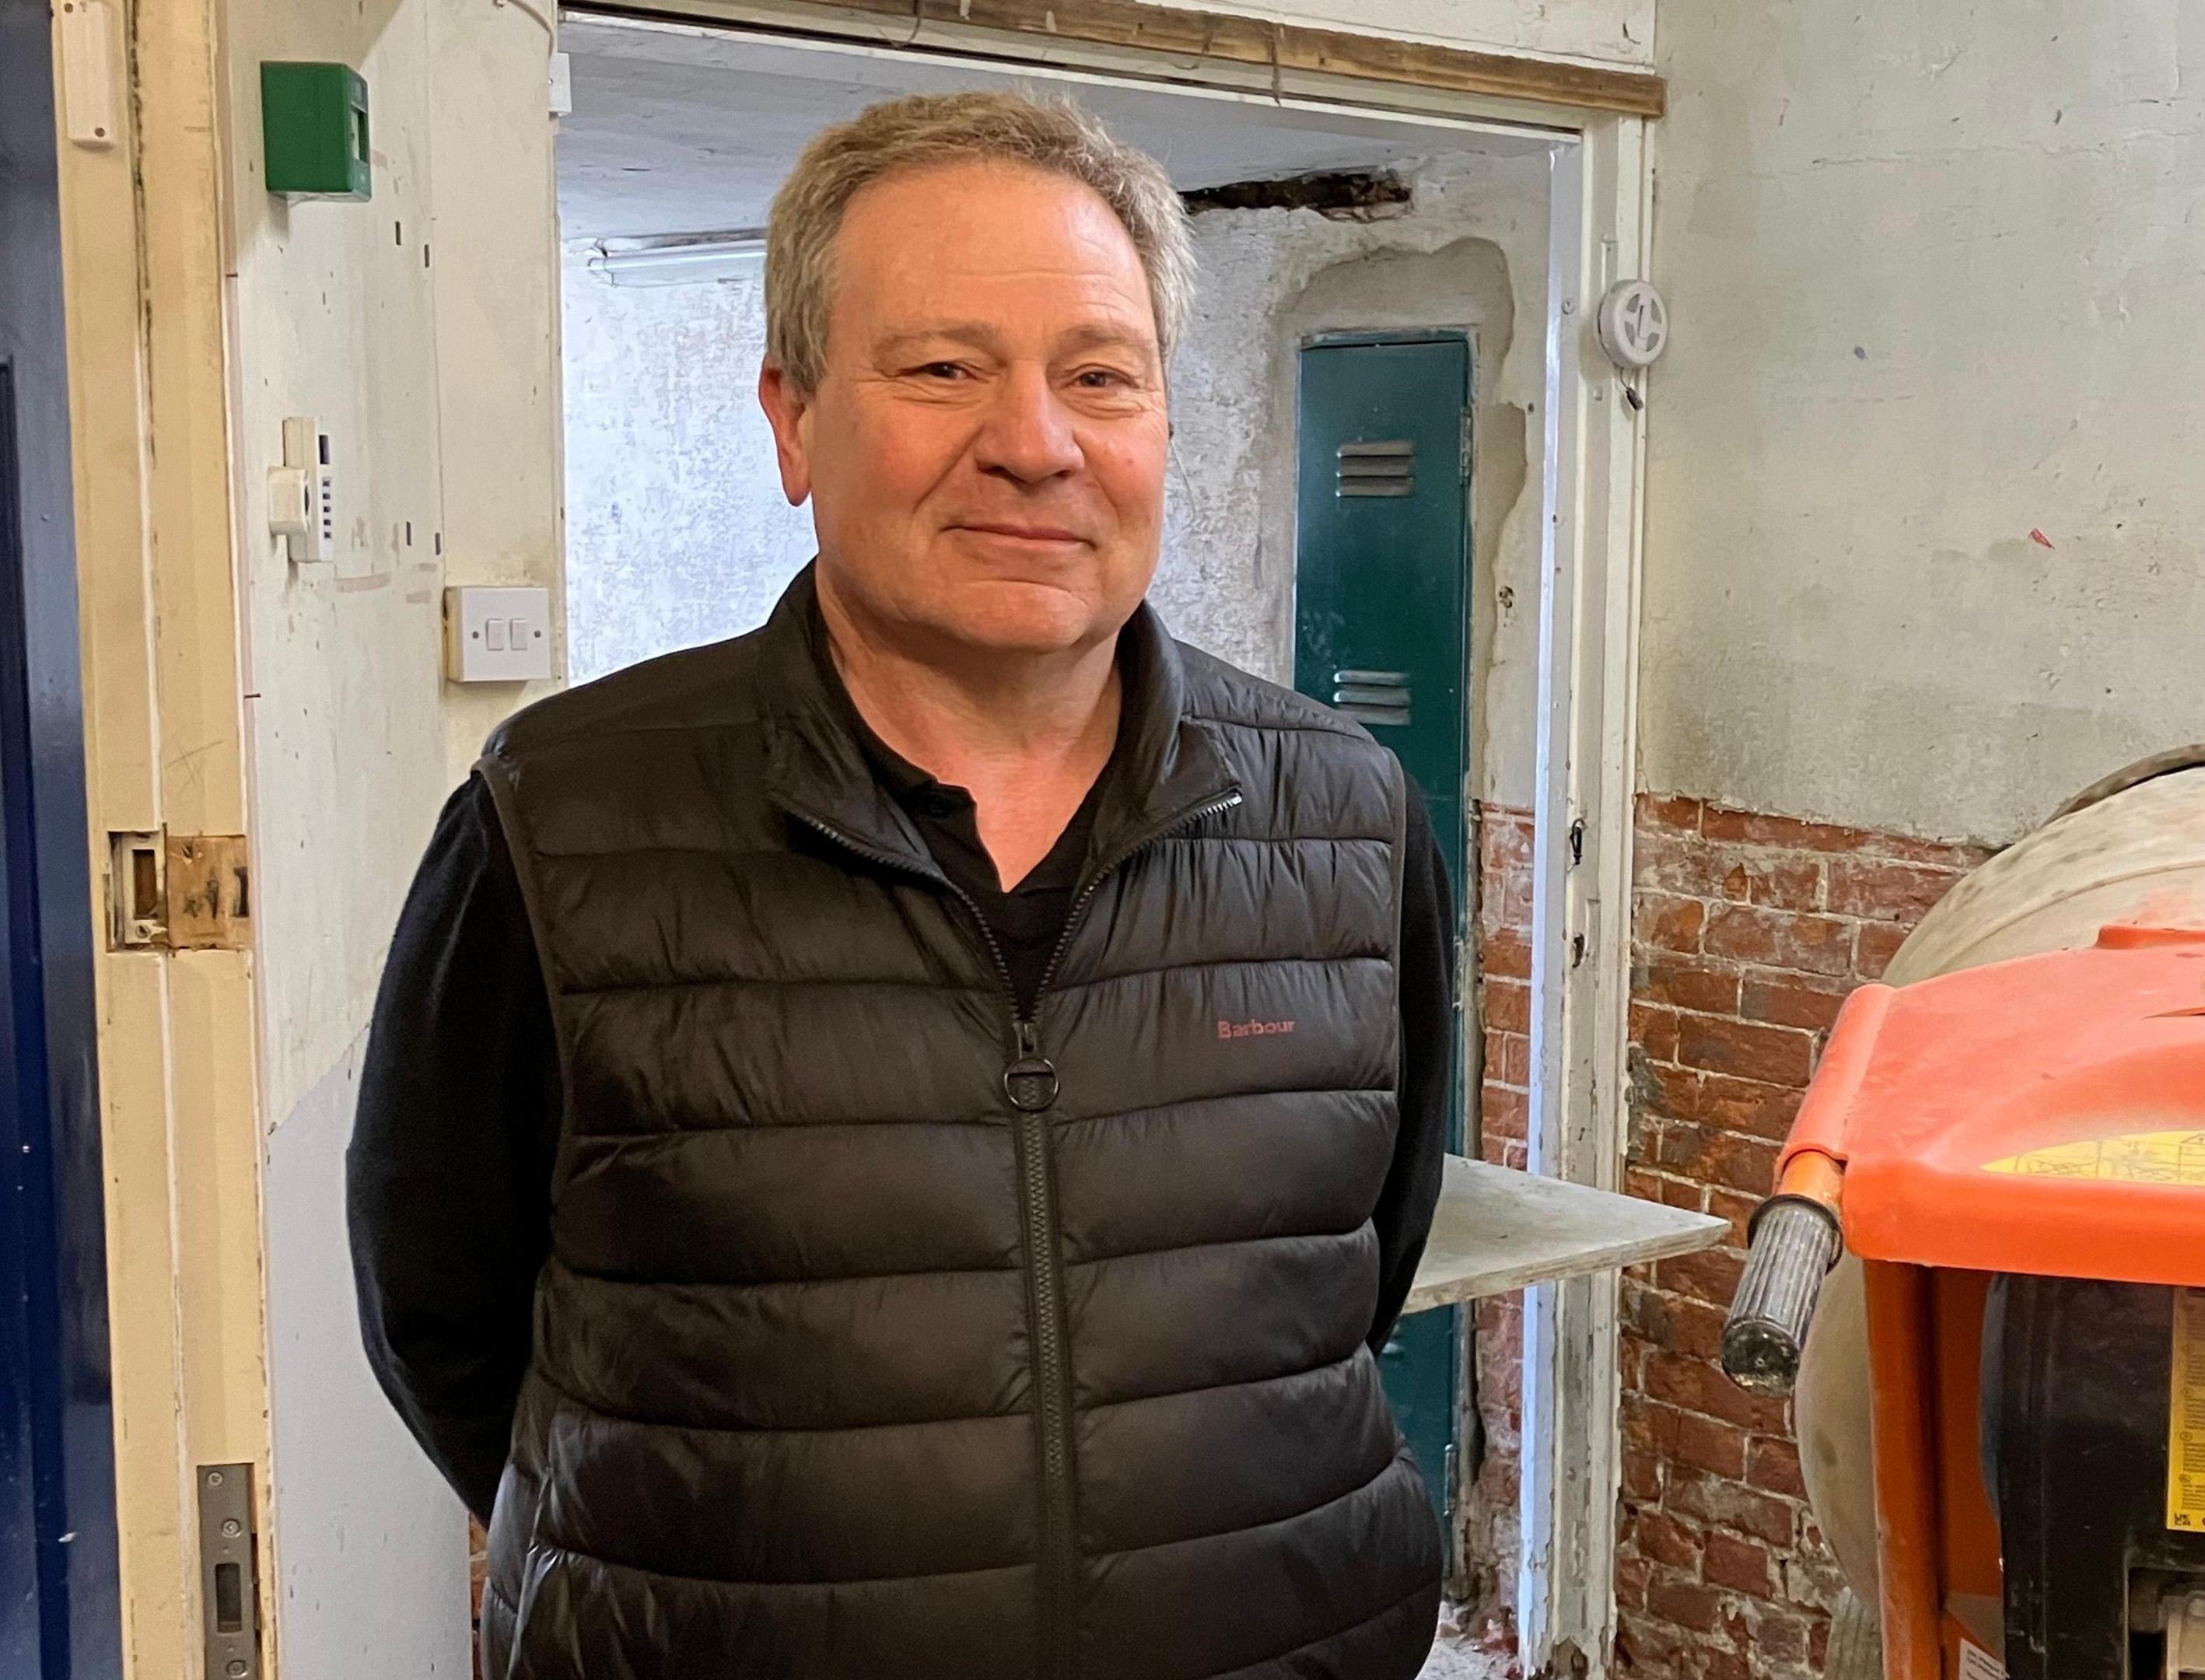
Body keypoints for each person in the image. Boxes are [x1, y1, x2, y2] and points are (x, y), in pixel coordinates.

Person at [347, 91, 1455, 1680]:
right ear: (793, 422)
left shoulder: (1343, 816)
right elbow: (444, 1319)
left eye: (1100, 376)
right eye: (943, 370)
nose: (1033, 441)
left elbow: (1364, 1257)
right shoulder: (565, 823)